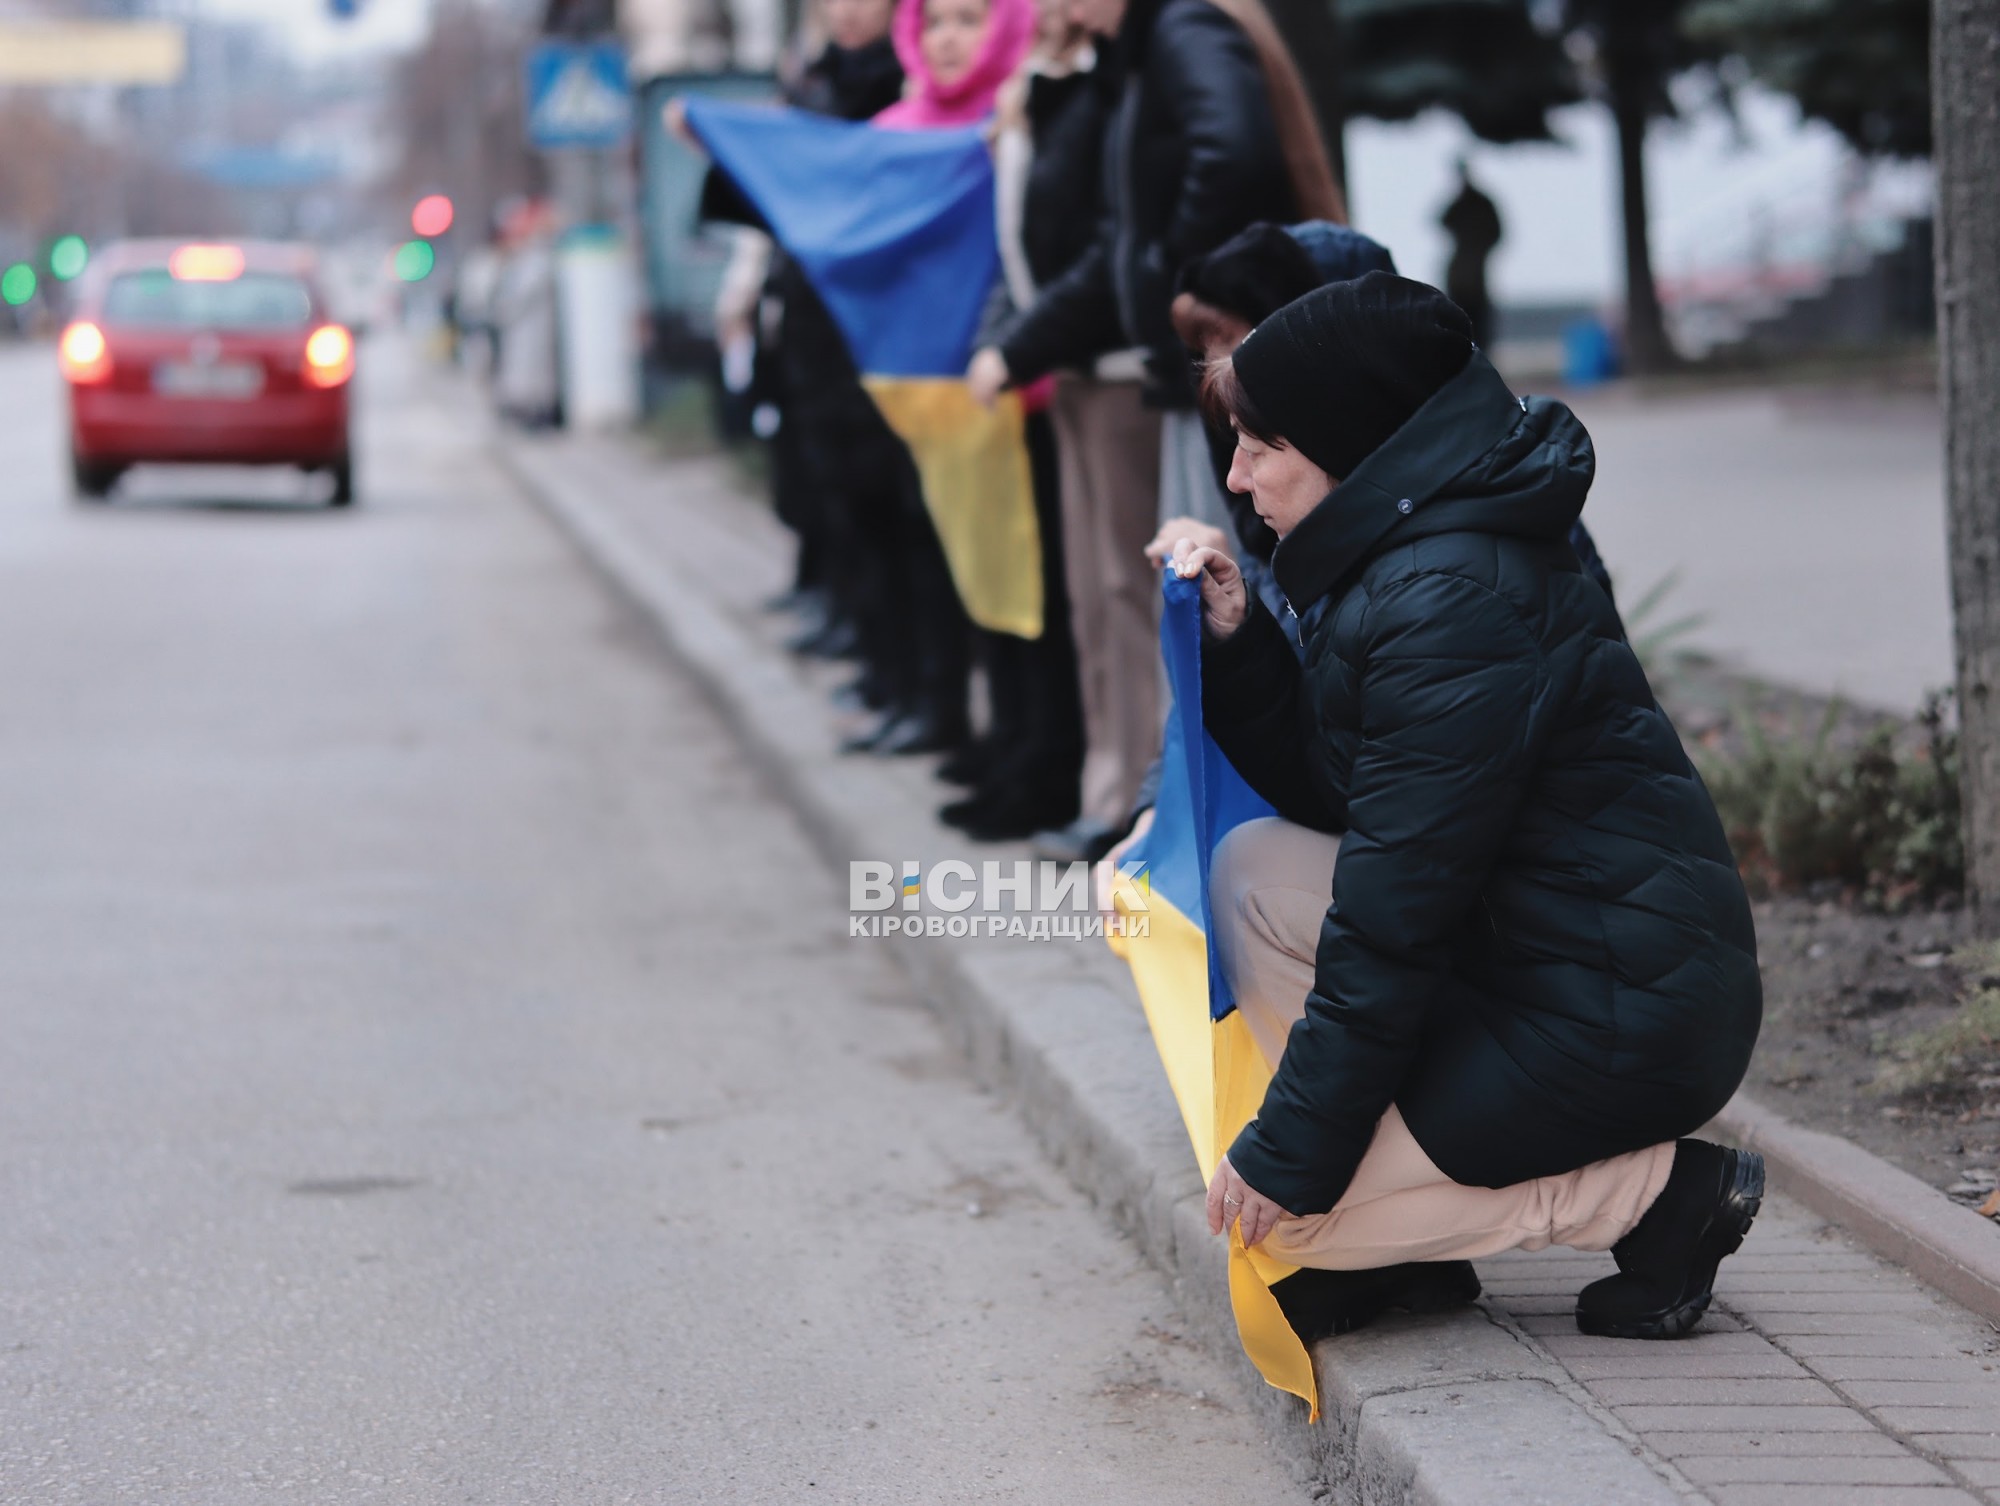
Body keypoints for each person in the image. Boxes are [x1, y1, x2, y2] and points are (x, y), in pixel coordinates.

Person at [1173, 272, 1764, 1343]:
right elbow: (1350, 800)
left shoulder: (1447, 599)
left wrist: (1291, 1153)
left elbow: (1391, 920)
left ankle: (1657, 1196)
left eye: (1260, 446)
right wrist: (1240, 643)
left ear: (1344, 443)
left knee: (1277, 1228)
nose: (1235, 473)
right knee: (1253, 871)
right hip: (1530, 961)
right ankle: (1407, 1244)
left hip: (1616, 1018)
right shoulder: (1410, 553)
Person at [964, 0, 1343, 548]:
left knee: (1223, 569)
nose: (1064, 11)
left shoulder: (1182, 27)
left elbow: (1231, 153)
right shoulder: (1158, 40)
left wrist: (1165, 266)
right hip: (1207, 348)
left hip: (1221, 348)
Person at [1440, 157, 1502, 350]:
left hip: (1472, 275)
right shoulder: (1463, 204)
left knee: (1476, 324)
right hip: (1464, 275)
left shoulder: (1477, 204)